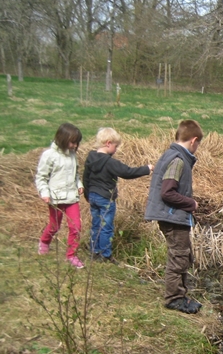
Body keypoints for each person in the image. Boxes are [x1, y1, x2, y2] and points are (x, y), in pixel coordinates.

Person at [144, 120, 203, 314]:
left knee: (182, 255)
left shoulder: (173, 156)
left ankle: (181, 295)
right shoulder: (178, 160)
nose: (197, 149)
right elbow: (167, 192)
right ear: (193, 141)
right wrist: (191, 204)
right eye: (198, 145)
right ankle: (174, 298)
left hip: (173, 215)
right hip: (172, 216)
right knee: (178, 257)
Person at [83, 127, 153, 263]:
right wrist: (146, 169)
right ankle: (106, 254)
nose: (116, 150)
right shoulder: (110, 162)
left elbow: (86, 177)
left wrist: (87, 193)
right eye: (115, 146)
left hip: (93, 196)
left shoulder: (90, 158)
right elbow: (127, 172)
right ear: (108, 143)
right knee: (106, 227)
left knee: (96, 224)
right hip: (105, 198)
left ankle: (95, 251)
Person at [35, 123, 85, 269]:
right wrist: (45, 193)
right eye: (72, 142)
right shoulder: (49, 156)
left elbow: (76, 175)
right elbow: (41, 177)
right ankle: (45, 241)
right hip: (55, 198)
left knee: (76, 226)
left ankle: (71, 255)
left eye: (77, 142)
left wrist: (79, 185)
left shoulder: (72, 155)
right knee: (54, 226)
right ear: (62, 139)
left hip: (71, 198)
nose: (75, 145)